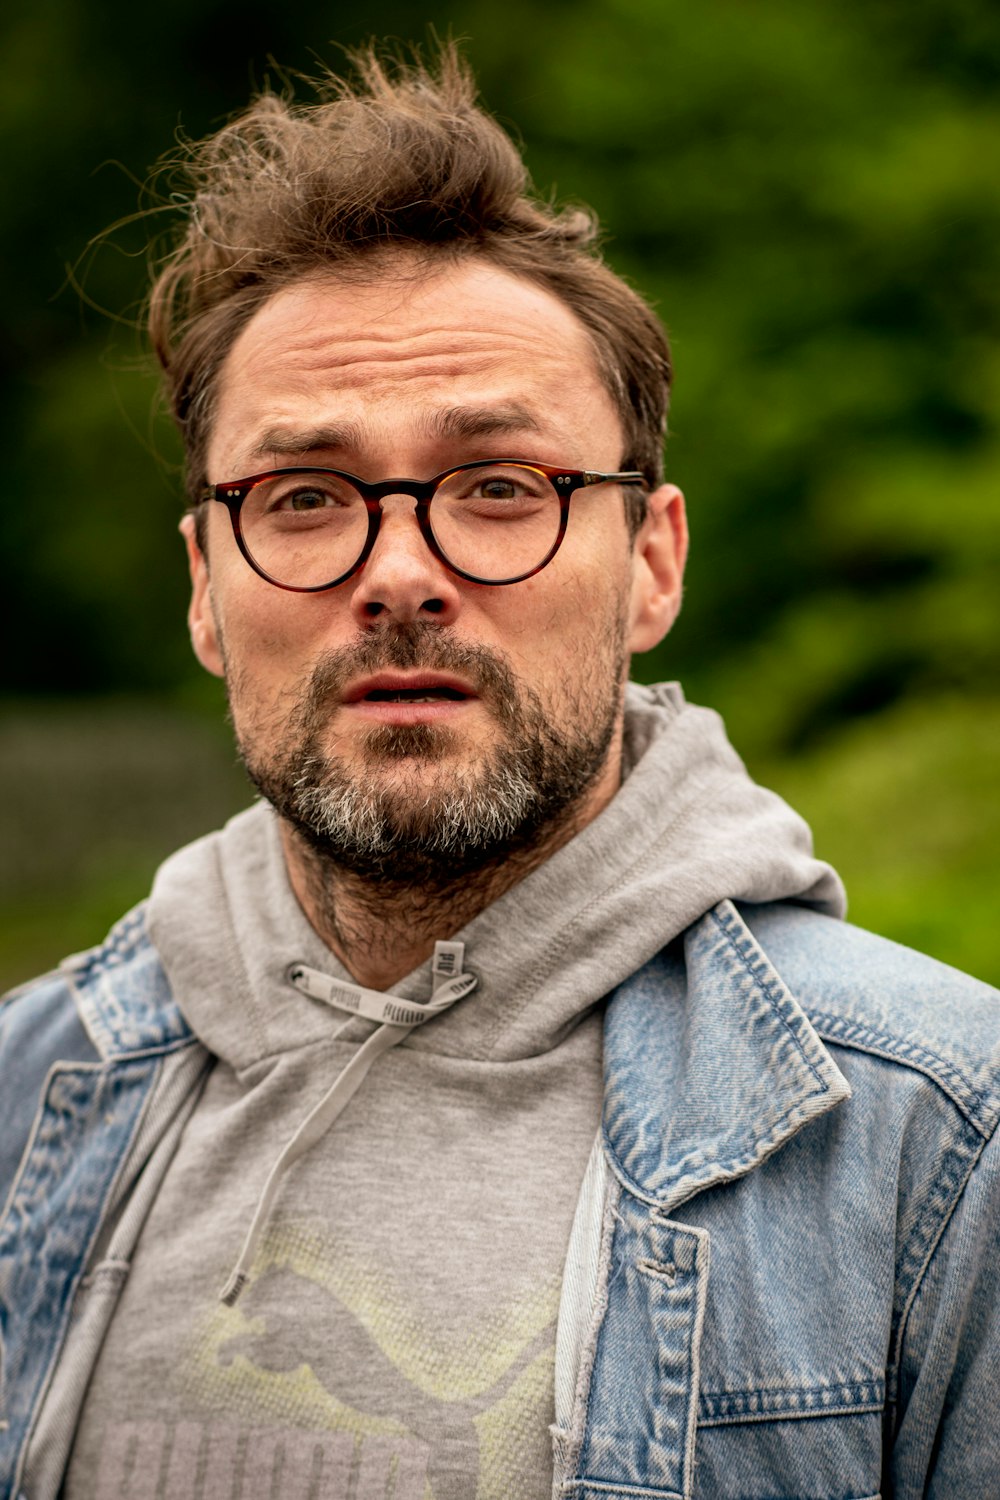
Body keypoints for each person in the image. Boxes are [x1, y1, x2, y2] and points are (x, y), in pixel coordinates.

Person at [1, 45, 998, 1500]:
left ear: (650, 564)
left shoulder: (944, 1139)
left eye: (498, 488)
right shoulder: (25, 1100)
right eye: (302, 498)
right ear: (206, 589)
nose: (402, 576)